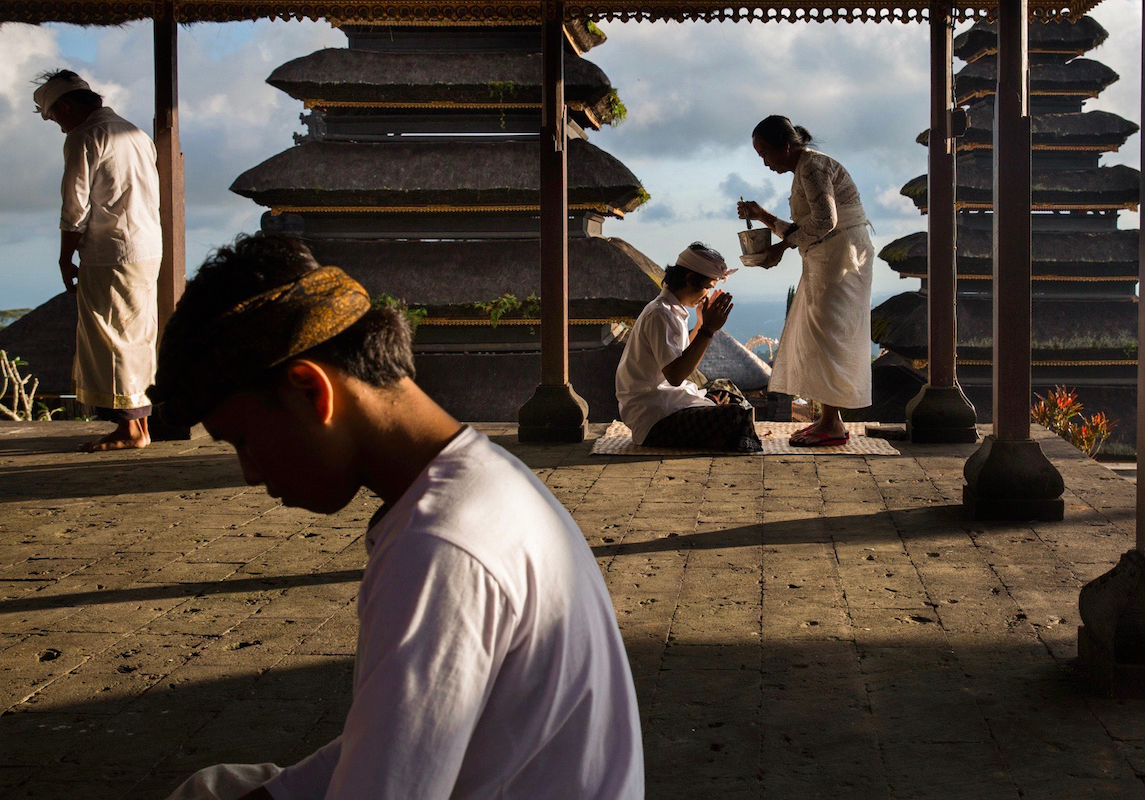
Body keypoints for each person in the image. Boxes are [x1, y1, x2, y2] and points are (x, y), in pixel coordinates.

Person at [148, 234, 643, 800]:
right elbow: (412, 731)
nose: (249, 473)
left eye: (242, 439)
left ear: (311, 390)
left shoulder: (439, 547)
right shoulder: (485, 481)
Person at [35, 69, 161, 452]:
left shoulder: (84, 136)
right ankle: (140, 425)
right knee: (136, 336)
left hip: (111, 251)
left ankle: (130, 431)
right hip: (146, 246)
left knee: (112, 339)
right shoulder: (134, 133)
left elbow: (75, 206)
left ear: (67, 106)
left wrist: (64, 256)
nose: (58, 127)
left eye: (55, 117)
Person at [737, 115, 872, 447]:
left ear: (785, 146)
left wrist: (781, 248)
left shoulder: (812, 167)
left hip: (841, 259)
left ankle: (833, 425)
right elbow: (805, 229)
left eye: (765, 154)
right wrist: (763, 217)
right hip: (826, 259)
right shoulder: (803, 169)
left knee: (829, 334)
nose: (765, 162)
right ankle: (828, 419)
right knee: (820, 334)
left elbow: (826, 221)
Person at [616, 243, 762, 452]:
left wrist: (702, 324)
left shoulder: (671, 311)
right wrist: (708, 330)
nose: (707, 295)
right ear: (690, 280)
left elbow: (683, 357)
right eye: (707, 287)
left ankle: (719, 433)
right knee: (736, 413)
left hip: (669, 406)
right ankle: (725, 438)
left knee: (726, 388)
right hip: (655, 419)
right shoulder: (660, 314)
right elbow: (676, 375)